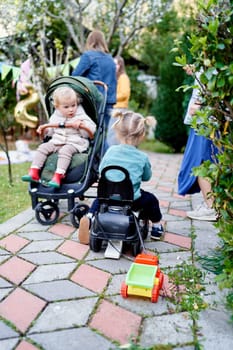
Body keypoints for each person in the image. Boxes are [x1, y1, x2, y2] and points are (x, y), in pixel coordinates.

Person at [78, 110, 163, 244]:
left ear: (118, 133)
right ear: (142, 135)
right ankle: (157, 227)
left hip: (108, 198)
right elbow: (147, 177)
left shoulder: (110, 151)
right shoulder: (142, 157)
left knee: (98, 200)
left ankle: (90, 217)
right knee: (151, 200)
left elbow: (102, 170)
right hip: (131, 200)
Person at [22, 86, 96, 188]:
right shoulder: (55, 116)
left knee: (65, 151)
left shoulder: (81, 115)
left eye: (73, 105)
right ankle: (34, 171)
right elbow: (51, 132)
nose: (71, 109)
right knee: (43, 148)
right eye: (66, 107)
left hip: (74, 143)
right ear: (57, 107)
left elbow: (90, 132)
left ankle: (59, 175)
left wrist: (81, 126)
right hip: (57, 141)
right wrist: (46, 130)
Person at [178, 66, 217, 221]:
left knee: (201, 163)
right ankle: (213, 204)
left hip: (204, 121)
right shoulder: (210, 60)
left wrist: (200, 106)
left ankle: (210, 207)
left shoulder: (212, 58)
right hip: (208, 121)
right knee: (208, 161)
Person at [72, 29, 117, 129]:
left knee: (90, 132)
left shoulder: (88, 56)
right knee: (101, 133)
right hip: (109, 100)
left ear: (89, 41)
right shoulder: (110, 59)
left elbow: (74, 76)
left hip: (93, 99)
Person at [106, 55, 131, 147]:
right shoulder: (116, 78)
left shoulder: (123, 77)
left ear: (120, 65)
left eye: (115, 64)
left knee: (112, 135)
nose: (114, 66)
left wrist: (110, 98)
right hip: (115, 108)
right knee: (113, 135)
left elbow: (124, 94)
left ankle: (111, 156)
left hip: (119, 109)